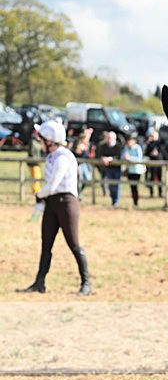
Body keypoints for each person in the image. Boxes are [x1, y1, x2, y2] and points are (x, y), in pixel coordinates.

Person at [17, 120, 91, 296]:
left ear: (49, 140)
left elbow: (52, 185)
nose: (39, 141)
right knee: (46, 245)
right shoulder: (51, 156)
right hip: (52, 203)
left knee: (73, 243)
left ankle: (86, 283)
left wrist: (39, 194)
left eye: (41, 138)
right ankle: (39, 282)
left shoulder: (63, 157)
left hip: (66, 203)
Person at [97, 131, 122, 207]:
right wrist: (103, 158)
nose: (109, 139)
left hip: (116, 168)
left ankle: (116, 201)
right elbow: (99, 155)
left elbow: (118, 156)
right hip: (108, 168)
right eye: (108, 138)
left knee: (116, 185)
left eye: (110, 138)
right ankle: (113, 200)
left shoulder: (118, 146)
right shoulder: (103, 146)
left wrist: (109, 159)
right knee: (110, 185)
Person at [120, 133, 145, 206]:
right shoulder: (126, 148)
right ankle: (135, 202)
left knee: (135, 186)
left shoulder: (137, 148)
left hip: (137, 170)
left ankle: (136, 202)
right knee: (132, 187)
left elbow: (139, 159)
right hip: (130, 170)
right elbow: (122, 157)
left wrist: (129, 158)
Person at [144, 130, 163, 198]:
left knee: (159, 178)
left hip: (158, 162)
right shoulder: (149, 144)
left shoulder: (160, 143)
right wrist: (150, 153)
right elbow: (146, 153)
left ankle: (160, 193)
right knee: (151, 178)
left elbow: (162, 151)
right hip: (152, 163)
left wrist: (157, 153)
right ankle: (151, 193)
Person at [27, 125, 43, 197]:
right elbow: (33, 151)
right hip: (33, 162)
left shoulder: (37, 140)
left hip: (36, 162)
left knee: (37, 177)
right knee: (36, 177)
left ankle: (36, 192)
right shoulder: (33, 140)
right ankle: (36, 193)